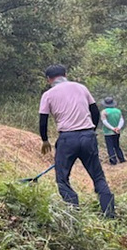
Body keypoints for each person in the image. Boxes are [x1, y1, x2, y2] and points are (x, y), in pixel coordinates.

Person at [38, 64, 115, 217]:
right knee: (98, 176)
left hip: (67, 139)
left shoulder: (48, 94)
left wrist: (45, 140)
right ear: (65, 74)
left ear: (48, 79)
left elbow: (43, 120)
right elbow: (95, 111)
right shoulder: (81, 88)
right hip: (87, 136)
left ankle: (74, 213)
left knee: (62, 178)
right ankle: (110, 214)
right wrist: (91, 131)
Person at [100, 96, 126, 165]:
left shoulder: (104, 112)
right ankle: (121, 159)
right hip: (117, 132)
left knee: (110, 147)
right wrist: (118, 128)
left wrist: (112, 128)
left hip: (108, 132)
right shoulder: (118, 111)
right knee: (117, 146)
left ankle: (113, 160)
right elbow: (121, 120)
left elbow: (104, 122)